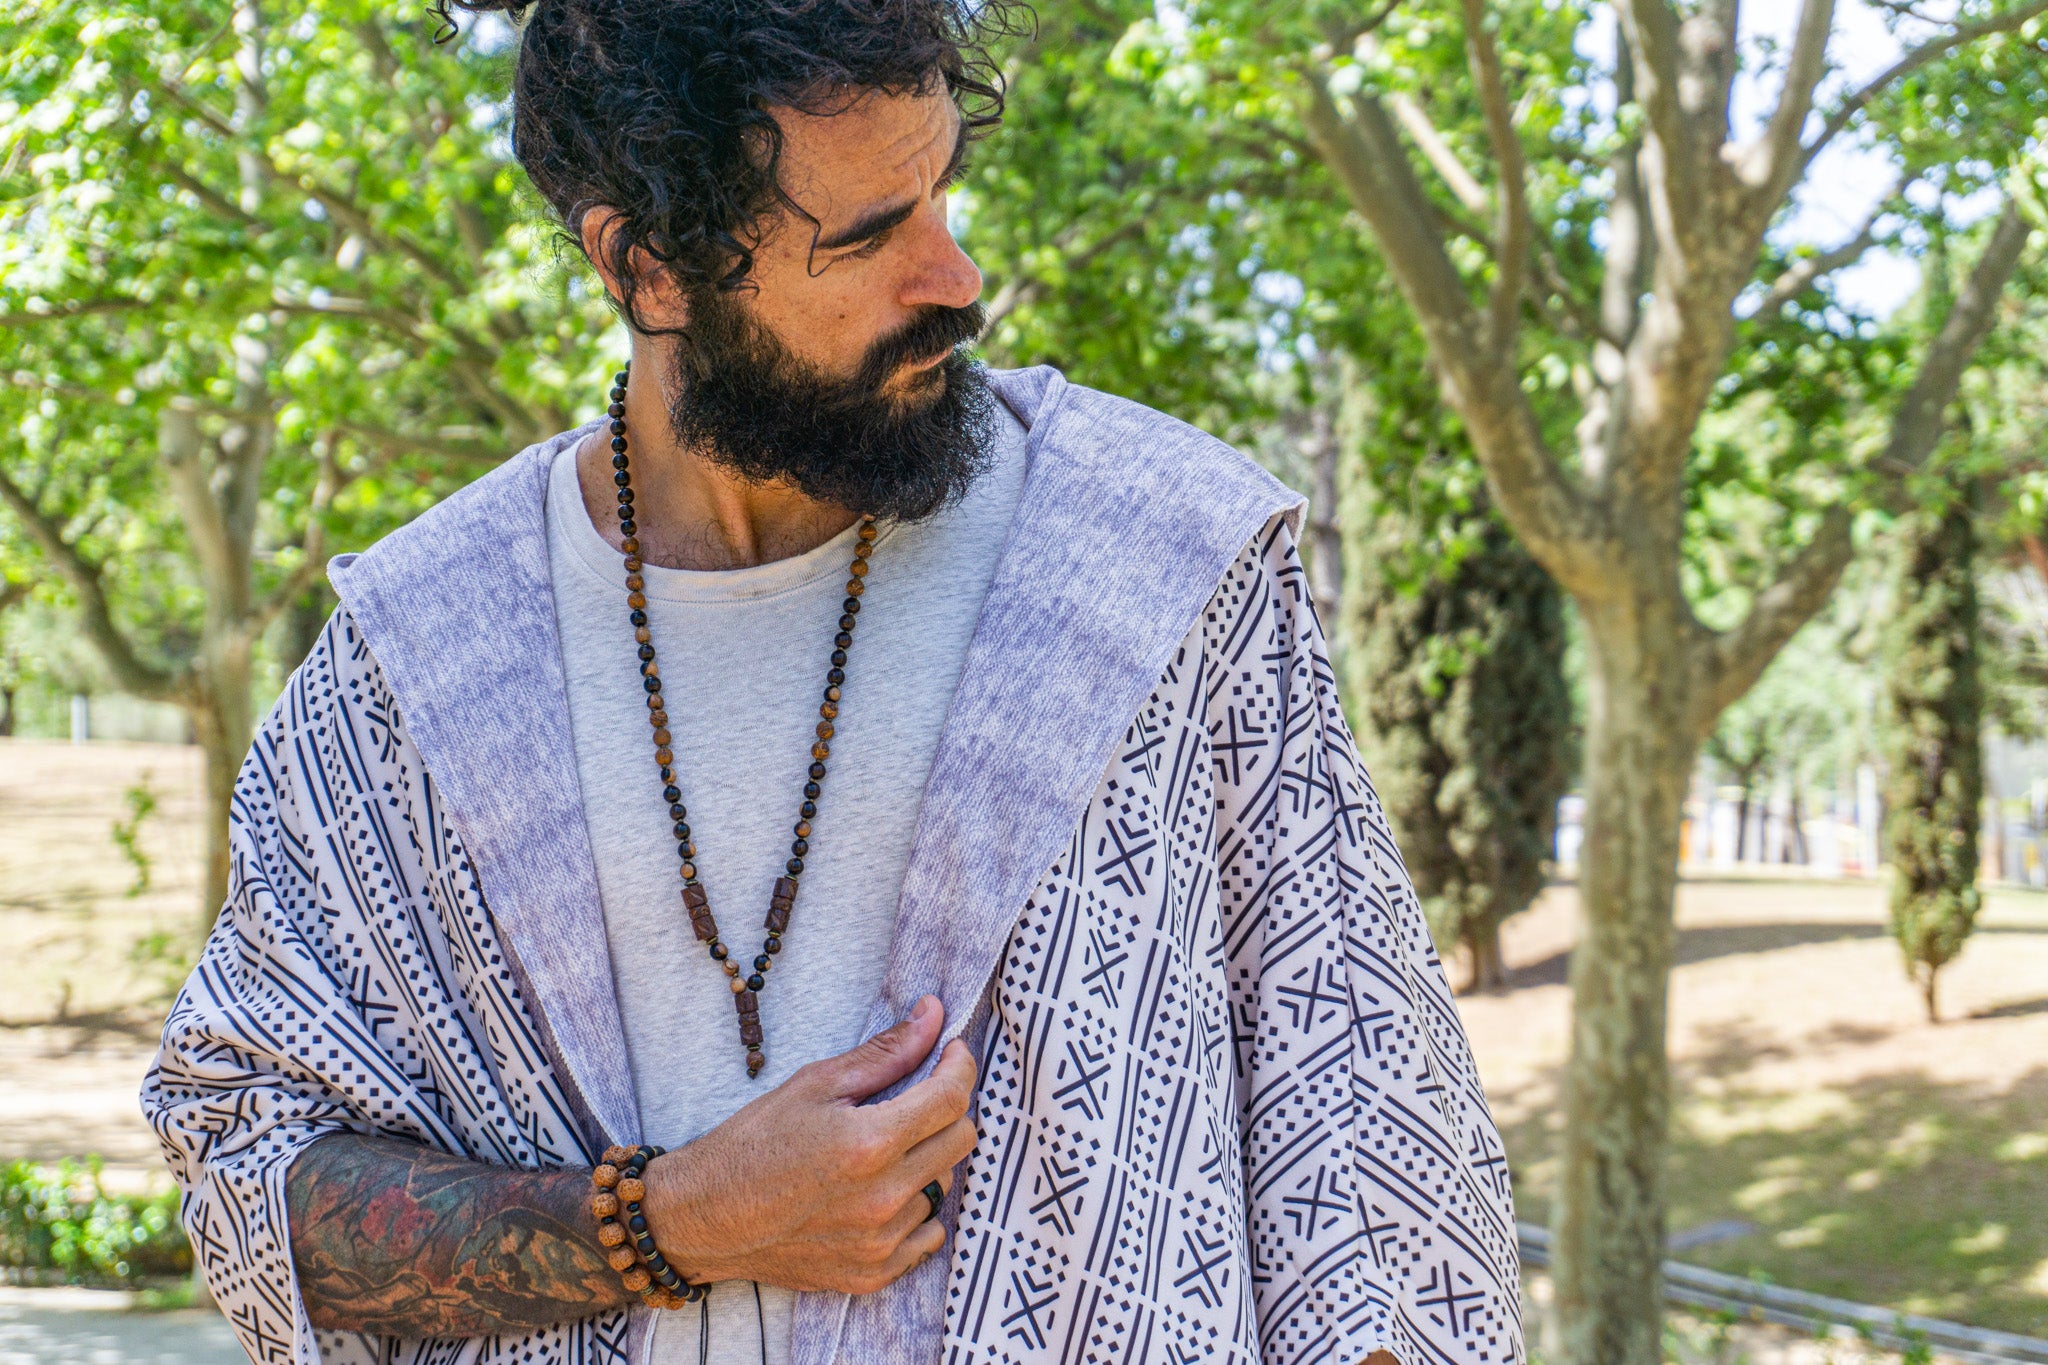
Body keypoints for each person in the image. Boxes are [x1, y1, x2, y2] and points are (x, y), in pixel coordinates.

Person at [140, 0, 1521, 1362]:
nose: (957, 279)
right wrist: (673, 1218)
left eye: (939, 195)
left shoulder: (1163, 570)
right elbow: (254, 1185)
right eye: (866, 237)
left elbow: (1379, 1205)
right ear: (646, 268)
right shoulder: (412, 673)